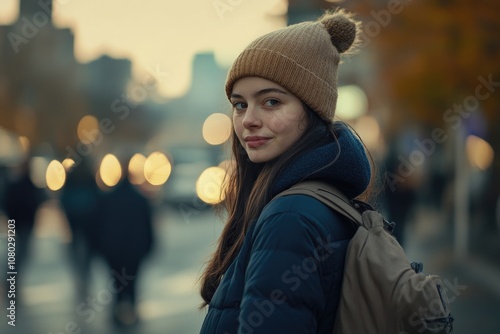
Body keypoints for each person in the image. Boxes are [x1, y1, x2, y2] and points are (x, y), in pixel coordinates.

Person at [199, 9, 373, 334]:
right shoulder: (322, 198)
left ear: (313, 110)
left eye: (271, 102)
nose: (248, 119)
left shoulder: (290, 217)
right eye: (240, 104)